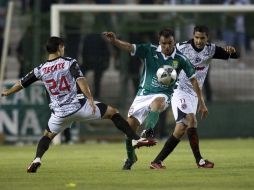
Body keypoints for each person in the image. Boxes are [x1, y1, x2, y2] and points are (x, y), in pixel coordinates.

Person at [1, 36, 156, 173]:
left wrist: (7, 92)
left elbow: (22, 83)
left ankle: (37, 159)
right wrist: (89, 97)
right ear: (60, 47)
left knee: (47, 136)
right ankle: (135, 138)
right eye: (63, 47)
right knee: (112, 112)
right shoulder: (69, 62)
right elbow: (80, 80)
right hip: (79, 107)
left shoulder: (40, 69)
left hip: (59, 114)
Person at [103, 28, 208, 170]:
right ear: (160, 42)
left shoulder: (181, 58)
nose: (167, 46)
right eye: (164, 43)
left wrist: (201, 103)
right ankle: (130, 157)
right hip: (143, 94)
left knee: (157, 103)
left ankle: (149, 130)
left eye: (170, 43)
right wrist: (115, 41)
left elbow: (194, 80)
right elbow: (129, 47)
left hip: (163, 94)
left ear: (174, 42)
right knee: (129, 128)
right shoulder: (149, 50)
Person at [149, 25, 239, 169]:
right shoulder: (182, 47)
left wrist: (232, 50)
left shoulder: (211, 49)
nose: (199, 41)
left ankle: (156, 161)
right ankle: (200, 161)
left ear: (207, 38)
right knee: (191, 120)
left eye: (202, 38)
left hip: (194, 93)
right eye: (196, 37)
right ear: (193, 36)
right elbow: (162, 52)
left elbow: (234, 55)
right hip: (179, 90)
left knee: (180, 130)